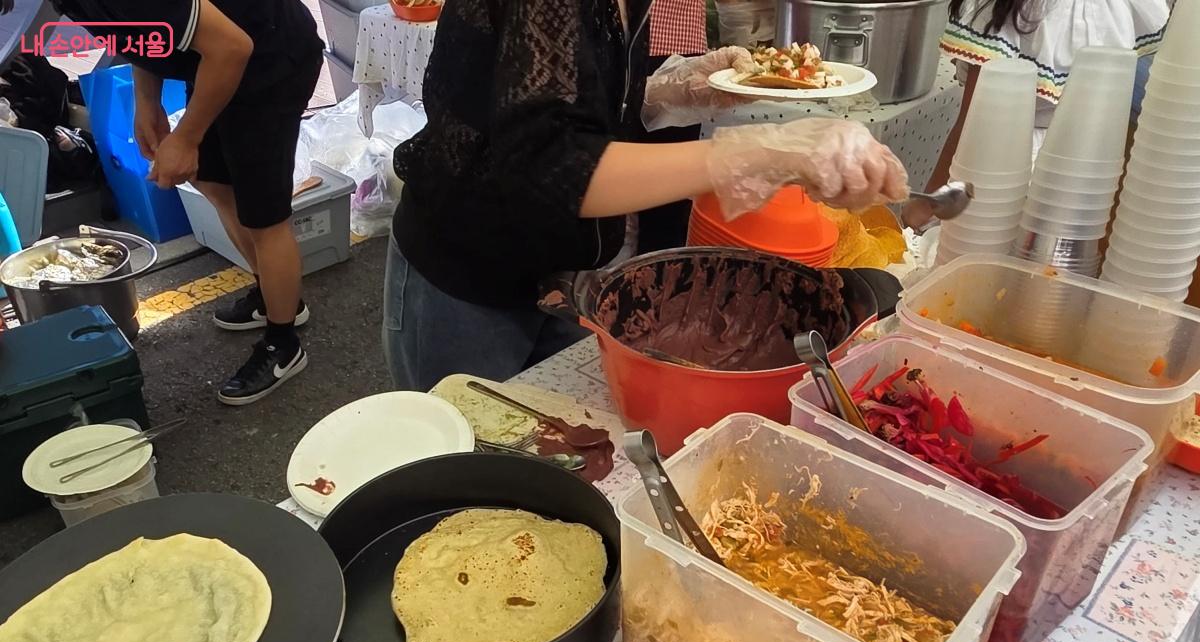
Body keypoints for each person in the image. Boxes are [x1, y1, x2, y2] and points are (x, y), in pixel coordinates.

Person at [386, 0, 909, 391]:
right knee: (467, 484)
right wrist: (762, 153)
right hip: (467, 275)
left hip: (564, 272)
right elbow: (550, 165)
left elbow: (558, 102)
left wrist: (667, 93)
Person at [11, 0, 324, 405]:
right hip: (220, 58)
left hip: (270, 60)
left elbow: (232, 47)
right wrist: (147, 103)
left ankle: (283, 343)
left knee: (265, 217)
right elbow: (144, 32)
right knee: (213, 182)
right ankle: (275, 294)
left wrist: (187, 137)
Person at [931, 0, 1172, 186]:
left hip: (1000, 167)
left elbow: (976, 127)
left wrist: (928, 202)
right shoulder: (1116, 9)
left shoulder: (1013, 9)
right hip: (1083, 169)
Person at [636, 0, 710, 254]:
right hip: (663, 47)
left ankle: (650, 271)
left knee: (666, 185)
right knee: (665, 187)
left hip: (679, 45)